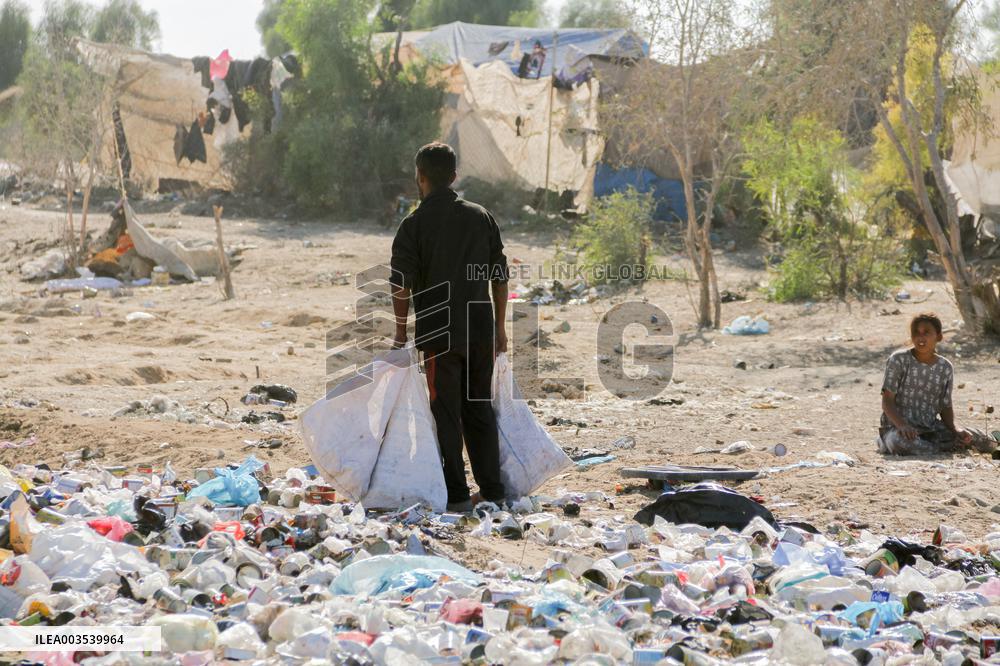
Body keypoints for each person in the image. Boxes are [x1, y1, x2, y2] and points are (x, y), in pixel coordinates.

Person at [389, 142, 509, 512]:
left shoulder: (413, 225)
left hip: (438, 335)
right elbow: (500, 276)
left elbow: (400, 284)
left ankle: (456, 494)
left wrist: (399, 332)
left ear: (419, 179)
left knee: (446, 413)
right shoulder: (481, 216)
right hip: (479, 331)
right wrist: (501, 329)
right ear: (454, 177)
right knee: (479, 409)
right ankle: (491, 491)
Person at [878, 313, 996, 455]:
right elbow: (887, 402)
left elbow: (945, 407)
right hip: (898, 429)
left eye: (926, 332)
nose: (920, 337)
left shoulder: (945, 367)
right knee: (898, 442)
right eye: (916, 332)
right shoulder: (898, 360)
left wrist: (955, 429)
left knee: (979, 440)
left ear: (938, 336)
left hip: (931, 429)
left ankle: (989, 439)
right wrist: (902, 426)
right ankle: (944, 448)